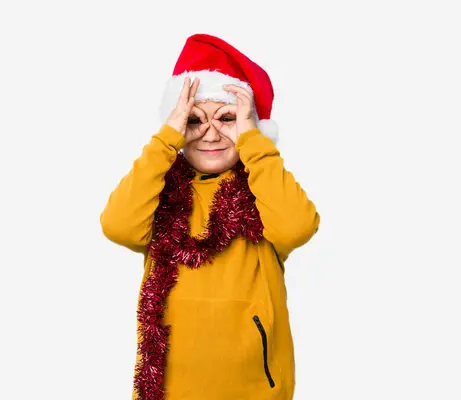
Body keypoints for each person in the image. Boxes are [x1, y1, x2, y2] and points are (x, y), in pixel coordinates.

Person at [100, 33, 320, 400]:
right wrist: (167, 138)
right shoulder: (158, 193)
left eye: (227, 118)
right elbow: (118, 225)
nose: (211, 133)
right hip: (170, 389)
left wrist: (252, 143)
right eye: (195, 121)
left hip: (253, 390)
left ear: (250, 124)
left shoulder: (264, 190)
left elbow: (296, 226)